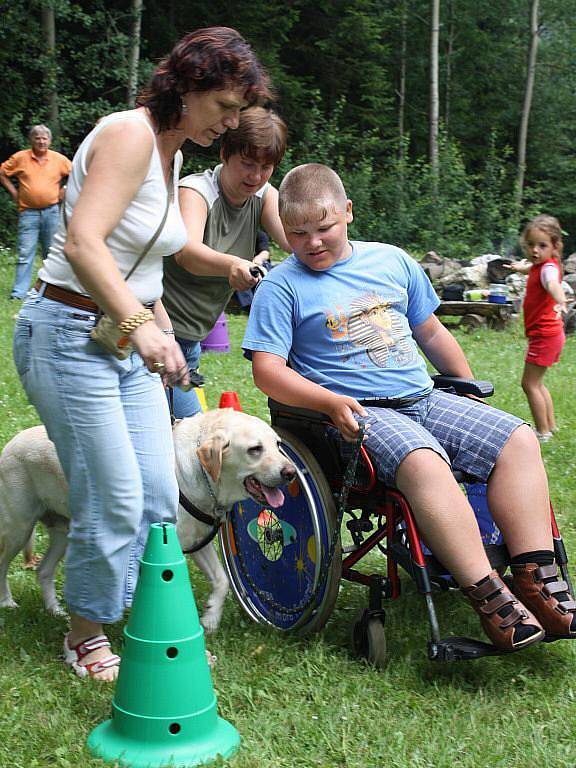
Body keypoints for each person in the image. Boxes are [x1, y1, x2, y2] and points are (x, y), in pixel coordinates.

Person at [12, 27, 271, 681]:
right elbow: (83, 245)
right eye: (224, 106)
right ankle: (86, 635)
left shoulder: (173, 152)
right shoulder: (129, 134)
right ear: (188, 85)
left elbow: (140, 263)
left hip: (120, 339)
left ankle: (153, 627)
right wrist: (141, 323)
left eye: (239, 110)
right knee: (116, 494)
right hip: (68, 335)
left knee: (161, 494)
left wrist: (155, 327)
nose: (231, 122)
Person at [242, 163, 576, 653]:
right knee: (423, 460)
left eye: (324, 228)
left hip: (422, 396)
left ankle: (539, 582)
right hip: (353, 414)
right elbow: (267, 371)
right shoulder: (281, 287)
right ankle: (490, 597)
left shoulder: (392, 262)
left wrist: (462, 385)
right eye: (297, 233)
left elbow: (433, 333)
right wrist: (329, 401)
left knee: (517, 438)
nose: (312, 242)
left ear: (348, 213)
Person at [162, 106, 290, 418]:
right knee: (186, 439)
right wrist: (232, 265)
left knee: (182, 440)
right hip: (156, 335)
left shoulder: (264, 196)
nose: (256, 176)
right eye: (247, 164)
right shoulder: (196, 191)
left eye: (266, 167)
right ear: (224, 154)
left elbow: (293, 240)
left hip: (189, 340)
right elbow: (186, 252)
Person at [506, 215, 567, 443]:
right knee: (538, 383)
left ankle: (543, 432)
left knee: (529, 384)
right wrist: (519, 268)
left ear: (555, 246)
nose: (535, 250)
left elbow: (552, 284)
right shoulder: (541, 265)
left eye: (542, 245)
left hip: (544, 335)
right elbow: (533, 269)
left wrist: (560, 299)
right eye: (531, 244)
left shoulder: (547, 270)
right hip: (551, 334)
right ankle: (550, 425)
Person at [0, 125, 71, 299]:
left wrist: (64, 190)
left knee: (52, 252)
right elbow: (2, 172)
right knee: (25, 253)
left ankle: (51, 292)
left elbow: (77, 173)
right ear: (31, 140)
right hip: (28, 213)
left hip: (52, 211)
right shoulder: (20, 158)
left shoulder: (58, 159)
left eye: (44, 138)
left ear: (50, 140)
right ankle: (19, 293)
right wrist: (15, 193)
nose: (41, 141)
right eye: (37, 138)